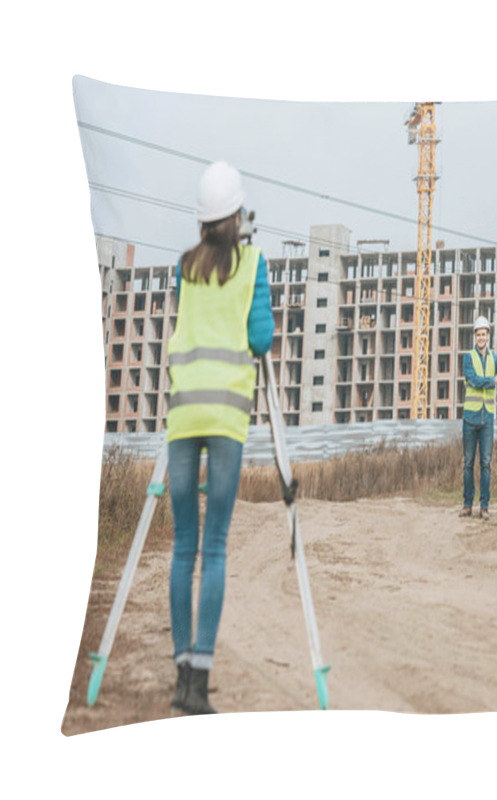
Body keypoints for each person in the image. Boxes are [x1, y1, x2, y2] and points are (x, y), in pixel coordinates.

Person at [166, 161, 274, 715]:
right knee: (213, 547)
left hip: (183, 417)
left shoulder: (184, 267)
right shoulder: (253, 264)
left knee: (183, 546)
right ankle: (200, 683)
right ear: (237, 216)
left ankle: (180, 673)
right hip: (227, 418)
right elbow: (261, 339)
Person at [459, 316, 497, 520]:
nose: (481, 338)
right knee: (468, 463)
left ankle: (484, 506)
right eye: (478, 334)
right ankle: (467, 504)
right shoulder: (468, 358)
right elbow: (473, 380)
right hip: (470, 419)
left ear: (488, 336)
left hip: (488, 419)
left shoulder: (494, 359)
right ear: (475, 336)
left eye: (484, 334)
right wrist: (493, 380)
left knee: (486, 464)